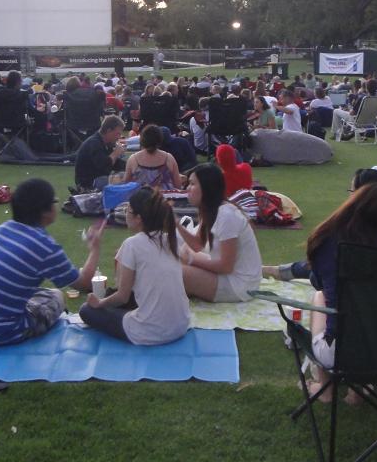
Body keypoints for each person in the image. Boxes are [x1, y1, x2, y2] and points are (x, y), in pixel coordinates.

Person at [0, 178, 104, 345]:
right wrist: (95, 248)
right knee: (57, 296)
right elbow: (85, 283)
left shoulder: (3, 228)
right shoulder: (45, 247)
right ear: (45, 211)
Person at [302, 183, 377, 402]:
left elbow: (320, 283)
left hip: (340, 352)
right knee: (368, 310)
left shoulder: (327, 240)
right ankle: (357, 392)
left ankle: (326, 388)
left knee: (321, 297)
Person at [78, 187, 191, 345]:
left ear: (138, 218)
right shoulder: (170, 239)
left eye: (128, 210)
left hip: (151, 332)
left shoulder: (132, 244)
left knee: (87, 310)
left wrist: (99, 303)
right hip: (181, 324)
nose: (125, 213)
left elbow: (122, 296)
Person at [176, 163, 263, 302]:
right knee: (171, 254)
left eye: (192, 184)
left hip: (241, 285)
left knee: (175, 272)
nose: (187, 189)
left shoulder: (226, 215)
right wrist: (175, 223)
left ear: (206, 187)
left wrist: (192, 260)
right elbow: (197, 244)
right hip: (226, 275)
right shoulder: (210, 209)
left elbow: (226, 267)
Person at [122, 124, 186, 190]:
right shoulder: (168, 158)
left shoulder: (133, 159)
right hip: (164, 198)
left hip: (141, 198)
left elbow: (126, 186)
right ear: (160, 139)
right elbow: (178, 185)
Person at [74, 114, 127, 191]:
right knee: (123, 180)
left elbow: (115, 163)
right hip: (88, 183)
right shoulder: (94, 143)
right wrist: (116, 153)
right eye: (117, 133)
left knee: (125, 175)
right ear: (109, 131)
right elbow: (104, 167)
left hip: (96, 178)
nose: (119, 137)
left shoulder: (104, 142)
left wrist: (131, 166)